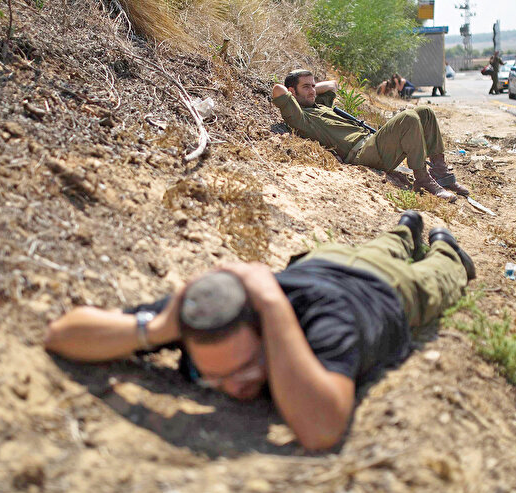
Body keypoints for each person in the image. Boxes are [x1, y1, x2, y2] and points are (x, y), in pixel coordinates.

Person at [44, 211, 475, 451]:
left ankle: (438, 243)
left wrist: (272, 304)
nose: (233, 387)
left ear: (266, 326)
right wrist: (157, 328)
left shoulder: (327, 323)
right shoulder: (215, 317)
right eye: (209, 375)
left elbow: (321, 428)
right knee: (382, 243)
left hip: (386, 288)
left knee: (443, 273)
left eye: (248, 366)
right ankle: (402, 229)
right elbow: (62, 334)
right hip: (320, 261)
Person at [271, 69, 469, 200]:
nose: (313, 91)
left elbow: (332, 84)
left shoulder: (319, 104)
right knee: (408, 117)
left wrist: (310, 91)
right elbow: (278, 90)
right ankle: (422, 179)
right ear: (292, 92)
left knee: (425, 113)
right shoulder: (299, 117)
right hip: (362, 153)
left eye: (313, 86)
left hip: (372, 142)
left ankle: (441, 172)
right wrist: (297, 96)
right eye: (306, 87)